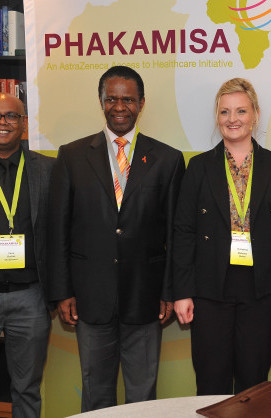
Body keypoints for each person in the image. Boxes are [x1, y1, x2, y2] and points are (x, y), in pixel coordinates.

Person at [47, 66, 185, 412]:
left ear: (141, 103)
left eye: (128, 100)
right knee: (96, 393)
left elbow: (176, 234)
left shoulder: (168, 160)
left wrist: (169, 291)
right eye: (111, 99)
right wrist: (63, 292)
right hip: (90, 297)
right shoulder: (72, 156)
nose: (119, 107)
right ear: (101, 102)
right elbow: (58, 229)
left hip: (146, 296)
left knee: (142, 395)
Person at [173, 78, 271, 395]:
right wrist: (182, 292)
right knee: (211, 382)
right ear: (217, 116)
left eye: (241, 111)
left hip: (262, 291)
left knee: (254, 383)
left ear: (255, 114)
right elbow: (183, 232)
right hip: (210, 290)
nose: (232, 119)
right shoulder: (198, 167)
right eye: (224, 112)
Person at [0, 93, 54, 417]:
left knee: (27, 388)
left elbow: (62, 232)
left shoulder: (47, 169)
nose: (4, 122)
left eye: (11, 115)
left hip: (30, 297)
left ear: (24, 124)